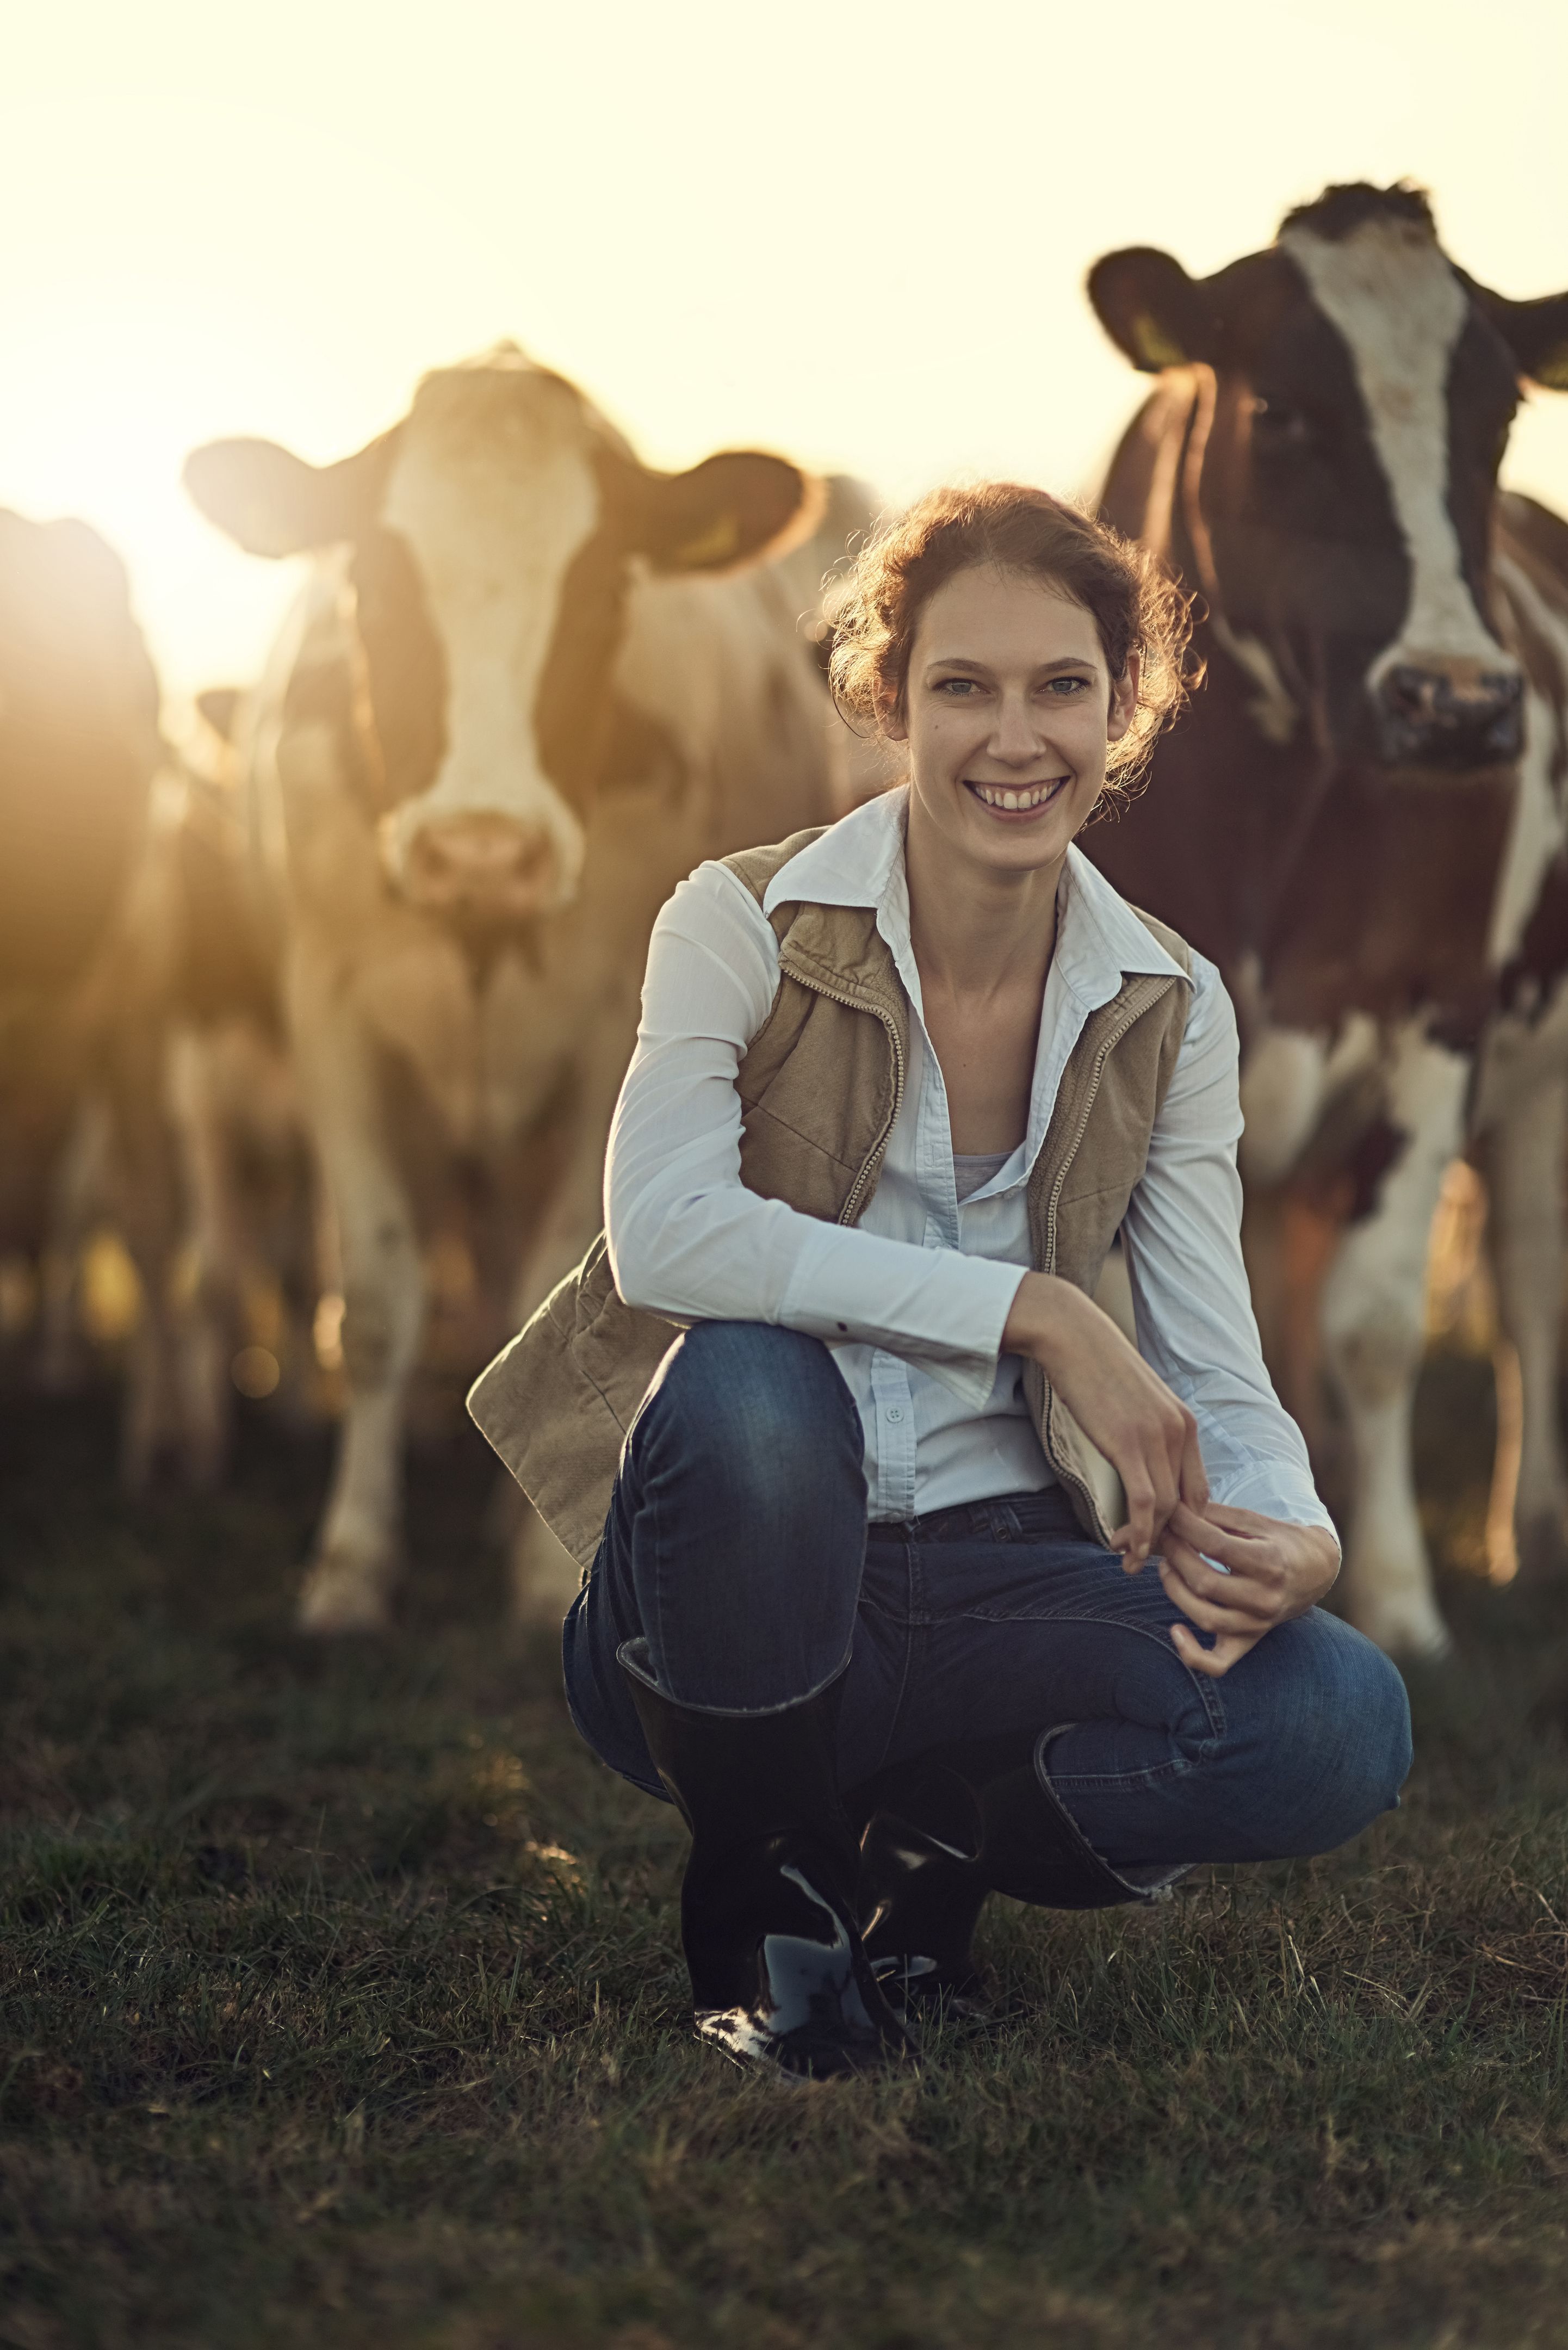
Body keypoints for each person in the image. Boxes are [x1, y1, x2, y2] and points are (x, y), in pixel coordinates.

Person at [470, 483, 1413, 2082]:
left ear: (1124, 708)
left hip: (1006, 1582)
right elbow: (669, 1237)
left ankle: (937, 1840)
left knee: (1342, 1721)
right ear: (884, 699)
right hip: (734, 1588)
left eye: (1061, 686)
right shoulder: (739, 919)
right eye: (960, 687)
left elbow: (1211, 1352)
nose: (1013, 737)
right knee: (757, 1382)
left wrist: (1295, 1531)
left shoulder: (1168, 1001)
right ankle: (771, 1932)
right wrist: (1035, 1311)